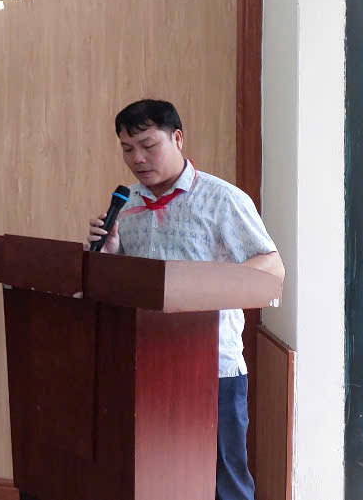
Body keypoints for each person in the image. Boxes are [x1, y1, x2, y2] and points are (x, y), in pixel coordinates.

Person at [86, 99, 285, 500]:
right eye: (127, 149)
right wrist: (108, 256)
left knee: (224, 482)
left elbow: (272, 267)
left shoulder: (223, 199)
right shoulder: (127, 204)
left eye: (148, 145)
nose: (138, 158)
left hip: (213, 367)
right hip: (145, 362)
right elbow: (127, 283)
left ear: (177, 138)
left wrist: (200, 286)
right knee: (155, 476)